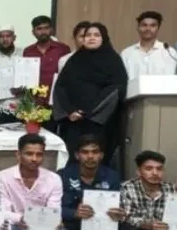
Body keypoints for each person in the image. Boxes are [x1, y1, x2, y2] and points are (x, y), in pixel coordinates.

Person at [54, 23, 128, 166]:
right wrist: (70, 111)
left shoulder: (113, 60)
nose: (91, 38)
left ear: (104, 38)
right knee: (73, 156)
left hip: (100, 121)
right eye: (88, 35)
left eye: (96, 35)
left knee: (95, 157)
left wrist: (89, 112)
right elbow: (60, 87)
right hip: (74, 121)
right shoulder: (74, 60)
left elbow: (116, 89)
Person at [23, 15, 70, 132]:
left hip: (56, 102)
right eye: (39, 29)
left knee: (54, 136)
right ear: (33, 32)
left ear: (51, 30)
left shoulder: (63, 49)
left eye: (46, 28)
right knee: (34, 136)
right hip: (34, 103)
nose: (43, 31)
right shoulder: (28, 51)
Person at [120, 11, 177, 79]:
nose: (148, 29)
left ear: (158, 28)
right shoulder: (126, 54)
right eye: (144, 25)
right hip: (133, 89)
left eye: (153, 25)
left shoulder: (169, 52)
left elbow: (170, 81)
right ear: (138, 28)